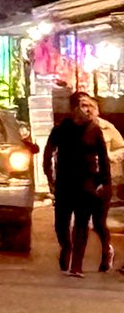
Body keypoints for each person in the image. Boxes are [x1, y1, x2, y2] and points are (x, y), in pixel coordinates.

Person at [43, 91, 113, 276]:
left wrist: (104, 182)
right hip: (64, 184)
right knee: (61, 224)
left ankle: (77, 265)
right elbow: (48, 153)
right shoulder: (60, 129)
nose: (87, 110)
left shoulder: (94, 129)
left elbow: (104, 158)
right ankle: (66, 247)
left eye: (89, 106)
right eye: (83, 106)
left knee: (82, 224)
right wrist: (50, 177)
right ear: (73, 109)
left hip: (87, 184)